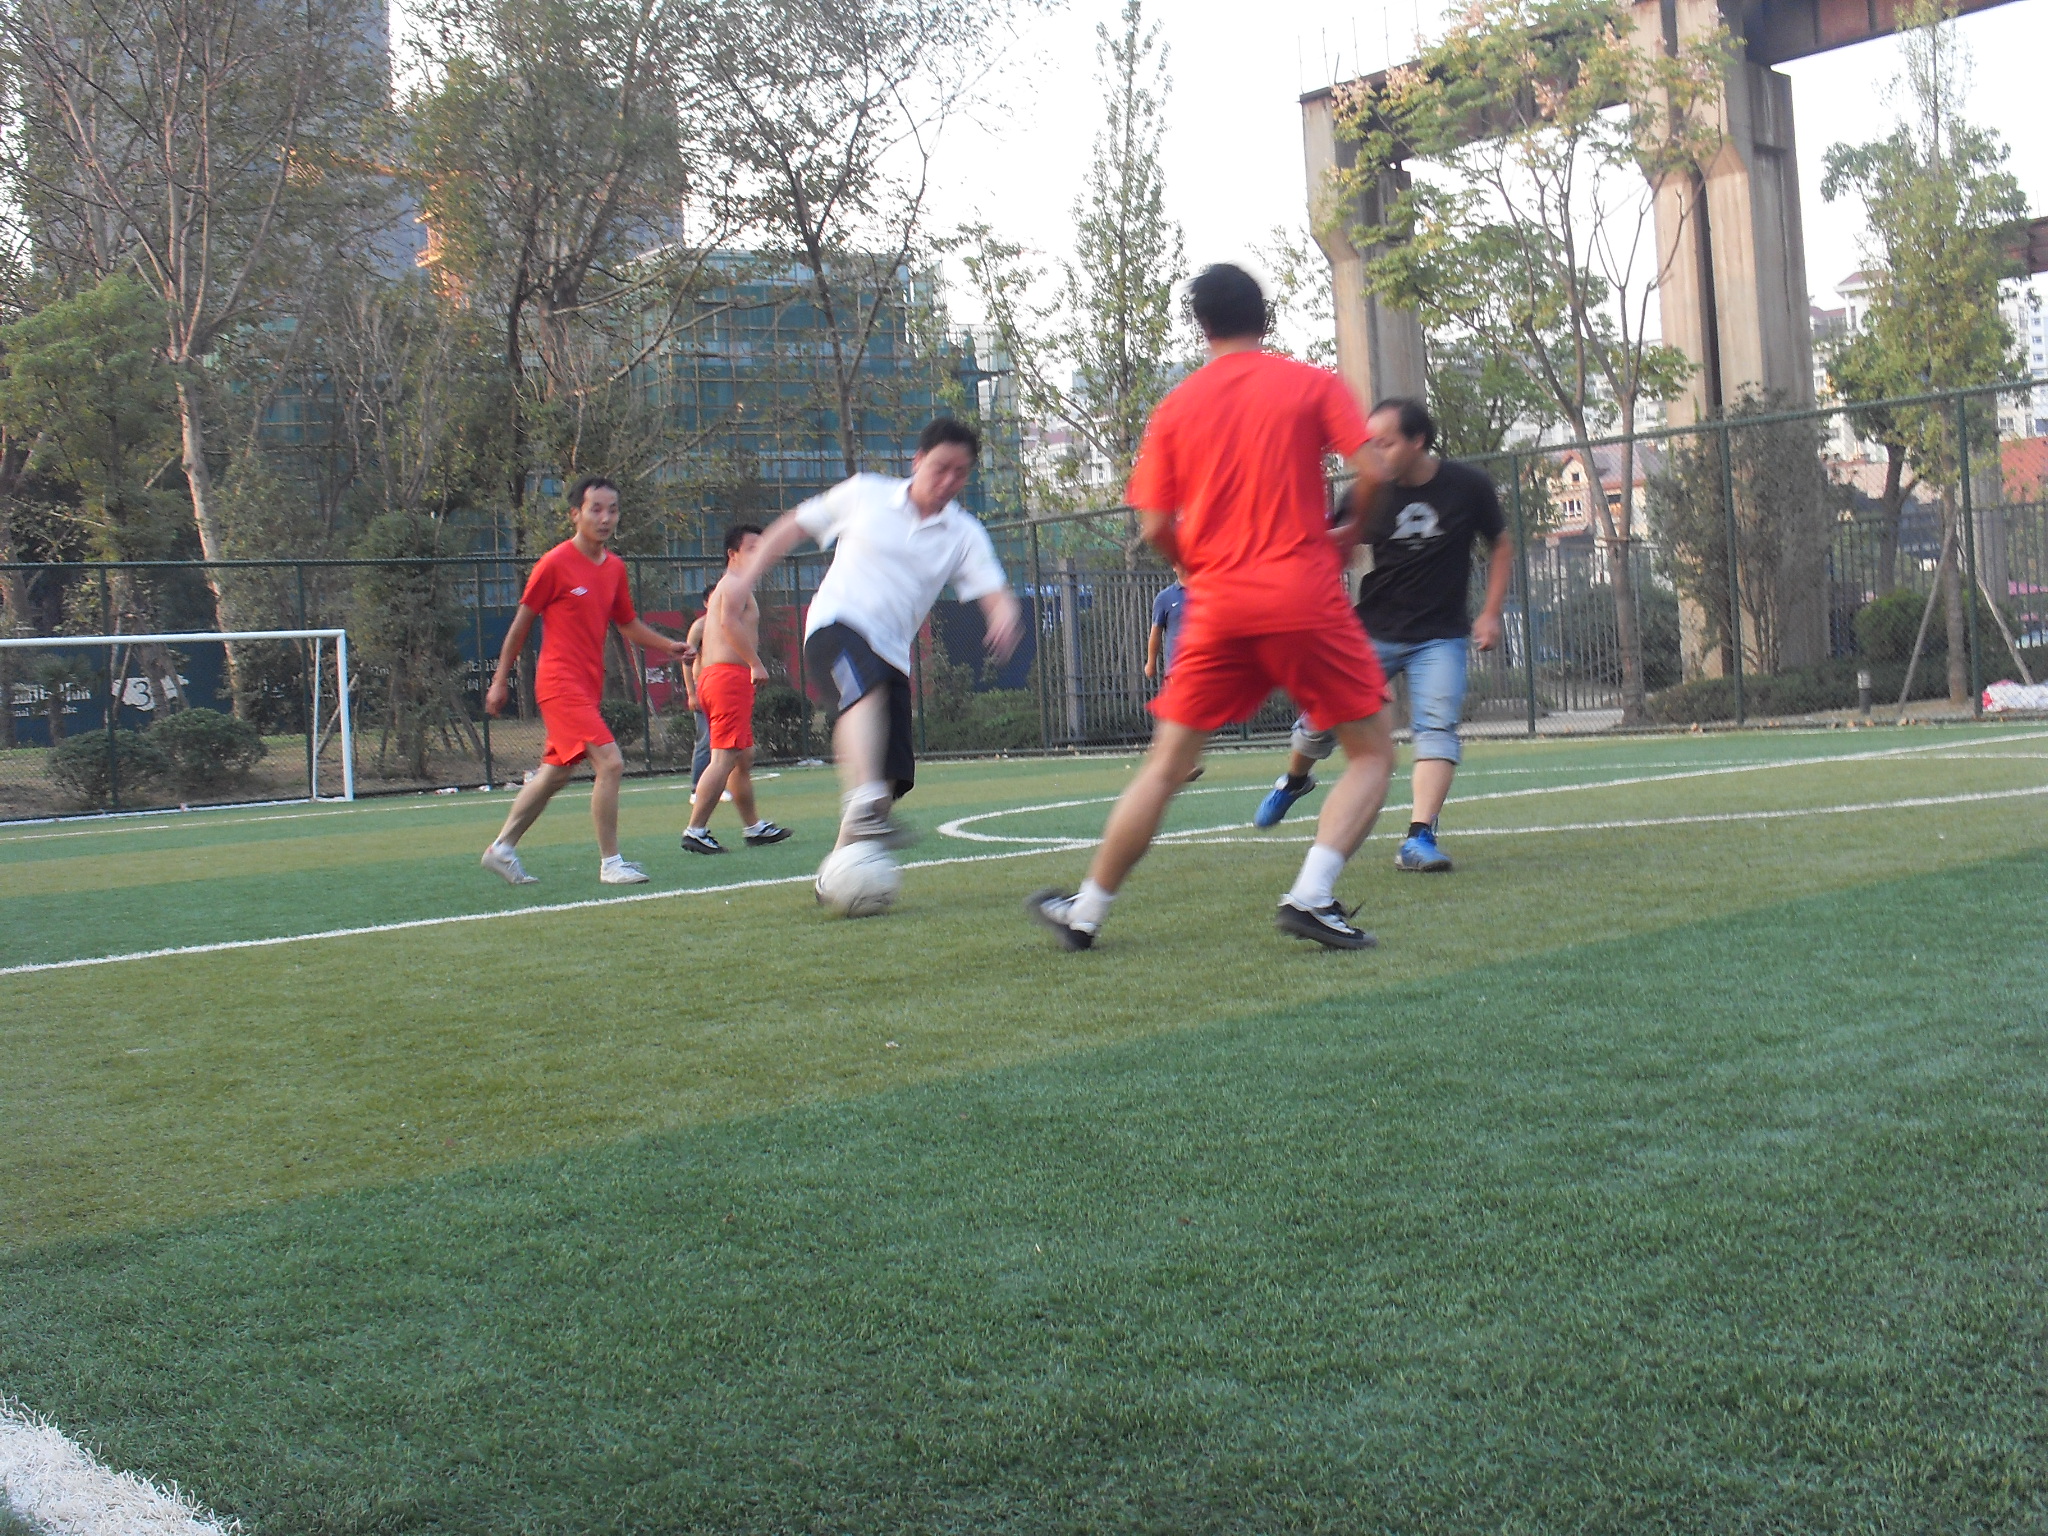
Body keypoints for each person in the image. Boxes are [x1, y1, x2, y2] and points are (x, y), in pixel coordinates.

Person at [1026, 263, 1395, 952]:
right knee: (1371, 752)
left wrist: (1198, 567)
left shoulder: (1176, 408)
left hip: (1217, 605)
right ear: (1266, 317)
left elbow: (1155, 526)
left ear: (1202, 327)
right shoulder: (1311, 384)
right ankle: (1312, 896)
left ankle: (1087, 911)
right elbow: (1374, 468)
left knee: (1166, 766)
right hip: (1303, 595)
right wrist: (1348, 534)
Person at [725, 416, 1023, 851]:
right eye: (940, 468)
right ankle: (861, 798)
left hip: (892, 656)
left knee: (887, 781)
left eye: (960, 473)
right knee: (865, 696)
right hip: (835, 627)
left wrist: (1004, 616)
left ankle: (840, 868)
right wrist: (746, 577)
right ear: (917, 461)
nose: (948, 481)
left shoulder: (965, 534)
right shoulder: (866, 492)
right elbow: (794, 525)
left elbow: (995, 591)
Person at [1252, 398, 1511, 873]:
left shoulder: (1468, 486)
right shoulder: (1365, 492)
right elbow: (1329, 550)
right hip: (1371, 632)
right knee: (1320, 720)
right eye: (1368, 443)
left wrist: (1491, 612)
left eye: (1385, 443)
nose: (1373, 452)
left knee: (1437, 728)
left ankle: (1419, 838)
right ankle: (1294, 781)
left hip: (1441, 635)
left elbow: (1501, 542)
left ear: (1418, 441)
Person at [481, 476, 691, 885]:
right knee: (611, 762)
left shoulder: (614, 568)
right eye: (596, 509)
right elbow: (520, 625)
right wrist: (499, 680)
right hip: (559, 684)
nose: (606, 518)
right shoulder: (554, 563)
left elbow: (627, 623)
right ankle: (611, 863)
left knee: (555, 773)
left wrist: (670, 646)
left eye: (613, 510)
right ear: (575, 514)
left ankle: (501, 849)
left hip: (587, 686)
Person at [681, 525, 792, 853]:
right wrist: (755, 662)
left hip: (723, 679)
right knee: (724, 757)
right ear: (733, 554)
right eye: (752, 549)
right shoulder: (734, 584)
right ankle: (695, 830)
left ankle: (753, 827)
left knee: (742, 757)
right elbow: (728, 623)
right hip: (727, 679)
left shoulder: (734, 585)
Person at [684, 581, 714, 793]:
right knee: (705, 739)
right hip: (703, 685)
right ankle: (697, 789)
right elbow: (686, 660)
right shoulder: (700, 627)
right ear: (705, 603)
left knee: (726, 742)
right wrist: (691, 693)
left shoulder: (732, 623)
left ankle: (717, 787)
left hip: (723, 687)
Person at [1143, 567, 1188, 683]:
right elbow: (1156, 632)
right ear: (1174, 566)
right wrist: (1151, 663)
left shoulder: (1209, 594)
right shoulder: (1164, 598)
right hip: (1177, 669)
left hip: (1206, 667)